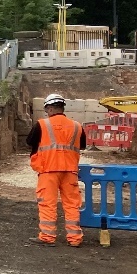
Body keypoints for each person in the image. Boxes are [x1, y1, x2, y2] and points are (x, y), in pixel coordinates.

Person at [26, 93, 87, 247]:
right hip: (70, 171)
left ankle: (47, 236)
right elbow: (83, 145)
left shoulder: (41, 125)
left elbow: (29, 141)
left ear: (50, 108)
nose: (47, 112)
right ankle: (75, 239)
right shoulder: (77, 126)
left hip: (48, 171)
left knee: (47, 203)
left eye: (47, 109)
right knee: (72, 204)